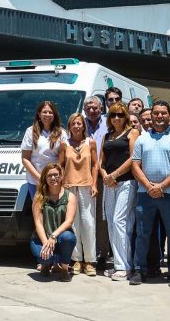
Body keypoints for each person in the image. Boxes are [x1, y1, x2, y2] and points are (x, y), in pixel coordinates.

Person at [130, 101, 170, 287]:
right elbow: (135, 165)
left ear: (169, 115)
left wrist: (161, 187)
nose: (159, 116)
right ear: (151, 115)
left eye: (163, 113)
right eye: (156, 113)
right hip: (145, 193)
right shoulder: (142, 139)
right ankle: (140, 269)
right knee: (142, 233)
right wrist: (149, 187)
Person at [99, 103, 140, 281]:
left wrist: (114, 175)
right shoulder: (106, 136)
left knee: (120, 221)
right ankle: (118, 264)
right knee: (111, 223)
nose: (117, 118)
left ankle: (125, 267)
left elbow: (133, 158)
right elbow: (101, 162)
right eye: (113, 115)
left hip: (126, 182)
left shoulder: (133, 133)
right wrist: (105, 176)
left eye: (120, 115)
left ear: (125, 117)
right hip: (109, 185)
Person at [58, 113, 98, 276]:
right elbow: (60, 166)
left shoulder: (91, 142)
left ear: (84, 126)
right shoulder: (64, 144)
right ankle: (76, 260)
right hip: (69, 186)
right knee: (73, 225)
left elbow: (95, 165)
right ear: (69, 126)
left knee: (88, 223)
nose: (76, 126)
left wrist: (94, 184)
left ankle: (89, 261)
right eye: (73, 123)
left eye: (79, 123)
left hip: (86, 186)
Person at [30, 163, 77, 282]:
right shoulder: (39, 196)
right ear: (45, 178)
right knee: (46, 257)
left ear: (61, 176)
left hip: (60, 238)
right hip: (41, 238)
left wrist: (53, 236)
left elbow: (69, 221)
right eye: (49, 176)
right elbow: (38, 222)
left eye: (56, 175)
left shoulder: (70, 196)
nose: (53, 178)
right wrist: (46, 243)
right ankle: (46, 264)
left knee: (68, 237)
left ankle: (64, 269)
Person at [82, 96, 110, 269]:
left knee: (101, 217)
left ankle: (101, 253)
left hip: (102, 176)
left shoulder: (109, 123)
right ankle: (84, 253)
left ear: (101, 109)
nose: (91, 110)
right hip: (81, 176)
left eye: (95, 107)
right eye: (88, 108)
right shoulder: (78, 123)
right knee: (84, 216)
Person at [21, 101, 67, 199]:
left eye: (50, 112)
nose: (47, 115)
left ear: (54, 115)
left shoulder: (61, 133)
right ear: (39, 114)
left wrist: (53, 177)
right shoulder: (30, 131)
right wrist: (41, 178)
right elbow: (25, 159)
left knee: (55, 211)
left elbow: (63, 158)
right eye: (44, 112)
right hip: (35, 181)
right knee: (39, 211)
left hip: (55, 181)